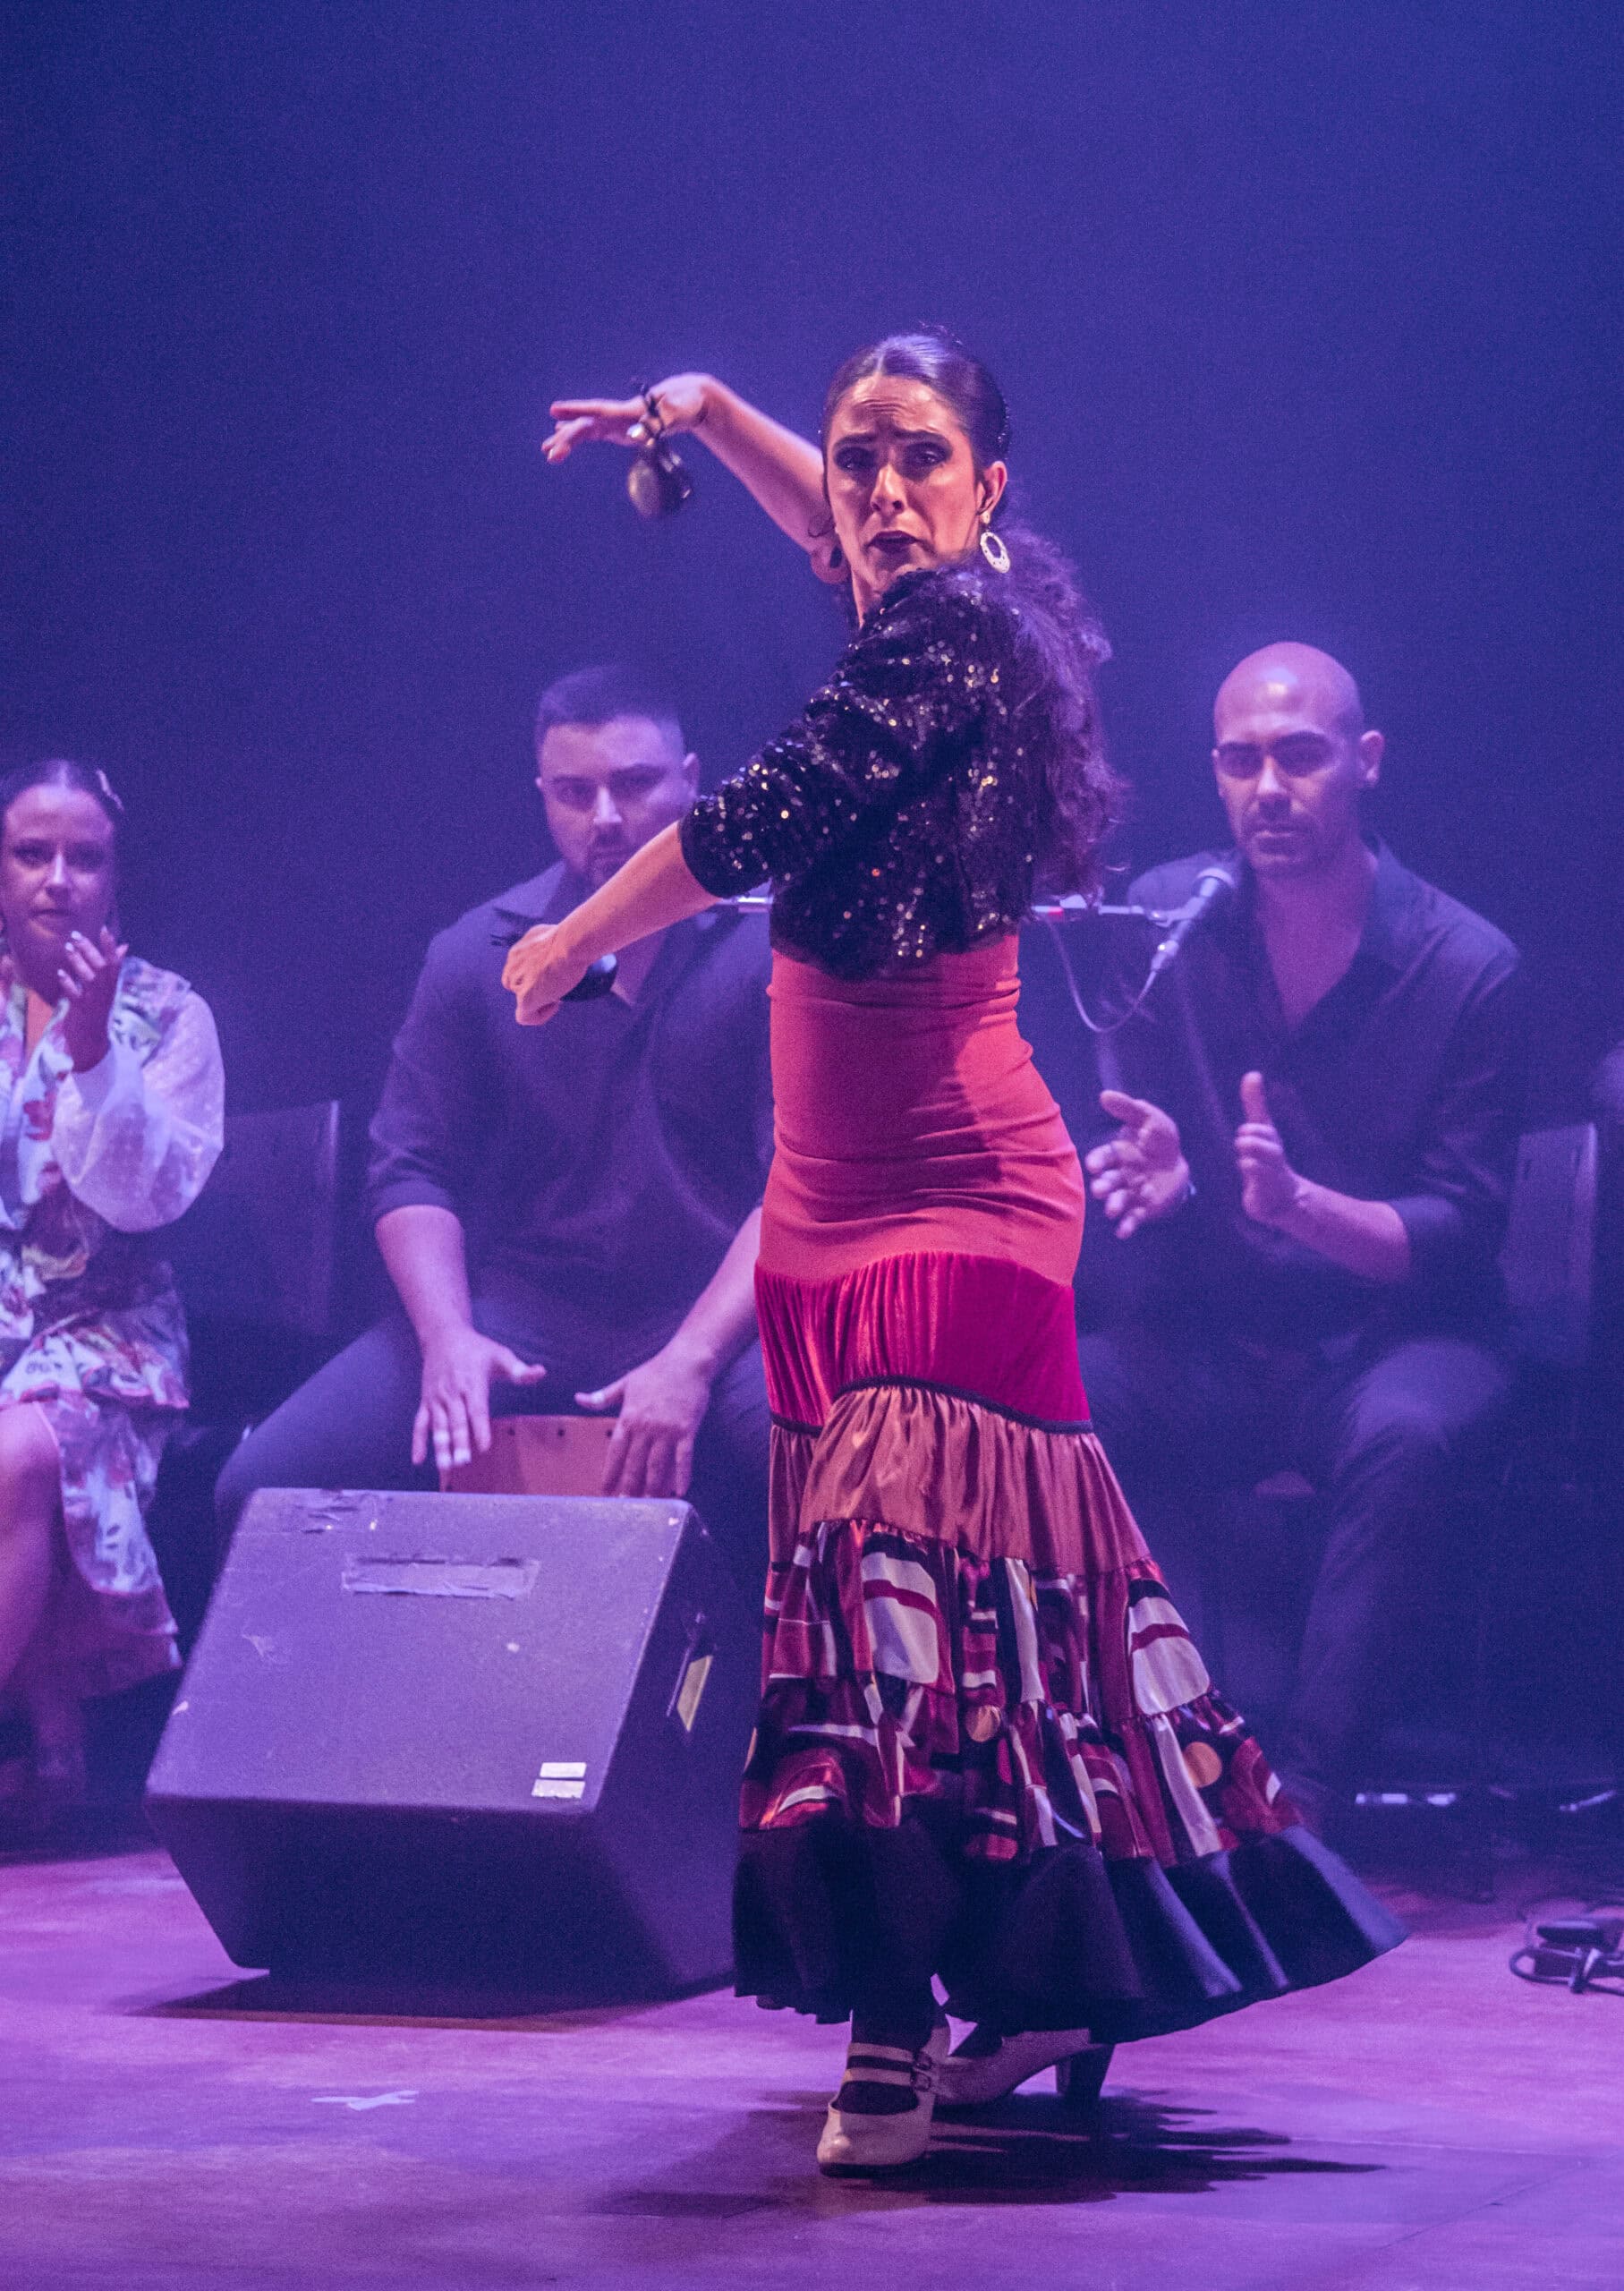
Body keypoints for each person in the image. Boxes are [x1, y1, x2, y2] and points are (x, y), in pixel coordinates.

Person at [513, 338, 1401, 2176]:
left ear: (990, 485)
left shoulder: (958, 633)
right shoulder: (930, 602)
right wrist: (713, 412)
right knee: (988, 1623)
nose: (876, 492)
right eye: (856, 460)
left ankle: (891, 2011)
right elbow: (829, 539)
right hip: (826, 1205)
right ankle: (1066, 1970)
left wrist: (569, 937)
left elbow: (753, 820)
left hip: (957, 1190)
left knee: (883, 1615)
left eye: (917, 457)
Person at [1081, 643, 1525, 1827]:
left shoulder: (1467, 966)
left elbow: (1457, 1235)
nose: (1267, 788)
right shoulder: (1167, 919)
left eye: (1299, 757)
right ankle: (1162, 1754)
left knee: (1406, 1433)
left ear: (1365, 761)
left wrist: (1296, 1208)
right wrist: (1169, 1184)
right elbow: (1143, 1145)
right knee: (1065, 1390)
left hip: (1398, 1335)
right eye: (1240, 762)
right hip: (1225, 1332)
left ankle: (1303, 1801)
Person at [216, 667, 773, 1573]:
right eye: (574, 792)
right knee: (264, 1488)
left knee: (816, 1468)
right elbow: (410, 1168)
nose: (604, 817)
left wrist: (692, 1360)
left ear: (691, 780)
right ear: (542, 795)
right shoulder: (479, 951)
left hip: (717, 1311)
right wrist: (446, 1337)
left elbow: (801, 1182)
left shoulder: (767, 942)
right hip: (529, 1311)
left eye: (634, 784)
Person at [0, 758, 223, 1837]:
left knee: (16, 1450)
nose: (58, 878)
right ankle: (53, 1741)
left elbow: (146, 1198)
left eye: (83, 857)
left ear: (116, 875)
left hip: (110, 1334)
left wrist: (91, 1055)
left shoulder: (173, 1015)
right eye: (31, 853)